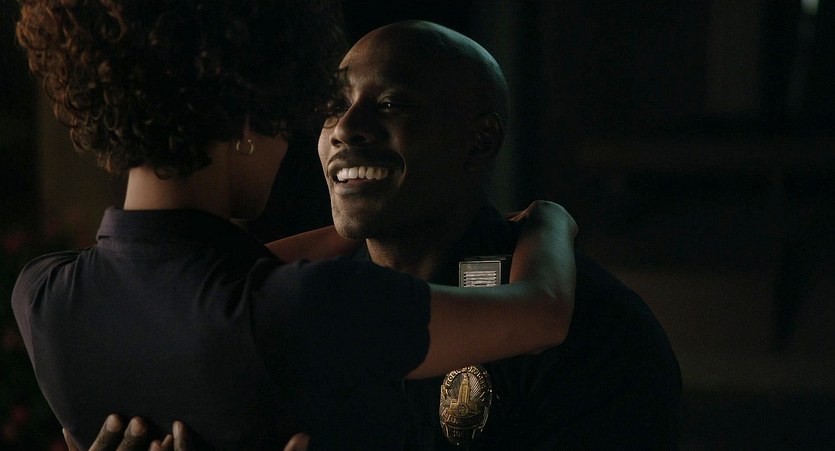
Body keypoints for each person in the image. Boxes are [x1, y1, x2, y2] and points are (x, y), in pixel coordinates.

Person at [73, 18, 682, 451]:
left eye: (391, 104)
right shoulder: (280, 315)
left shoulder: (596, 328)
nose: (346, 128)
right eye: (332, 107)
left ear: (481, 139)